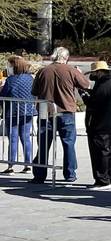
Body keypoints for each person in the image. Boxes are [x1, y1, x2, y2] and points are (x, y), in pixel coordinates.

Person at [30, 47, 90, 185]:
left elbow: (34, 90)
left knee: (43, 144)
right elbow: (86, 85)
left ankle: (39, 175)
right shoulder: (71, 70)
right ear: (66, 57)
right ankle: (69, 174)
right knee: (68, 143)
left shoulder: (43, 71)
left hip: (46, 110)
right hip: (66, 110)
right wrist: (79, 73)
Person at [82, 61, 111, 189]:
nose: (92, 75)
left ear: (99, 72)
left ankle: (102, 180)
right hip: (110, 122)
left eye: (94, 72)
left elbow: (93, 102)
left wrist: (83, 94)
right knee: (108, 151)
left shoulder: (104, 85)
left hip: (99, 124)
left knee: (100, 152)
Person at [1, 56, 36, 175]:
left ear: (14, 66)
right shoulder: (30, 78)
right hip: (28, 111)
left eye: (9, 65)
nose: (8, 68)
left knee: (13, 139)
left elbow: (4, 95)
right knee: (26, 138)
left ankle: (11, 165)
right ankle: (28, 165)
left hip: (13, 112)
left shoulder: (11, 80)